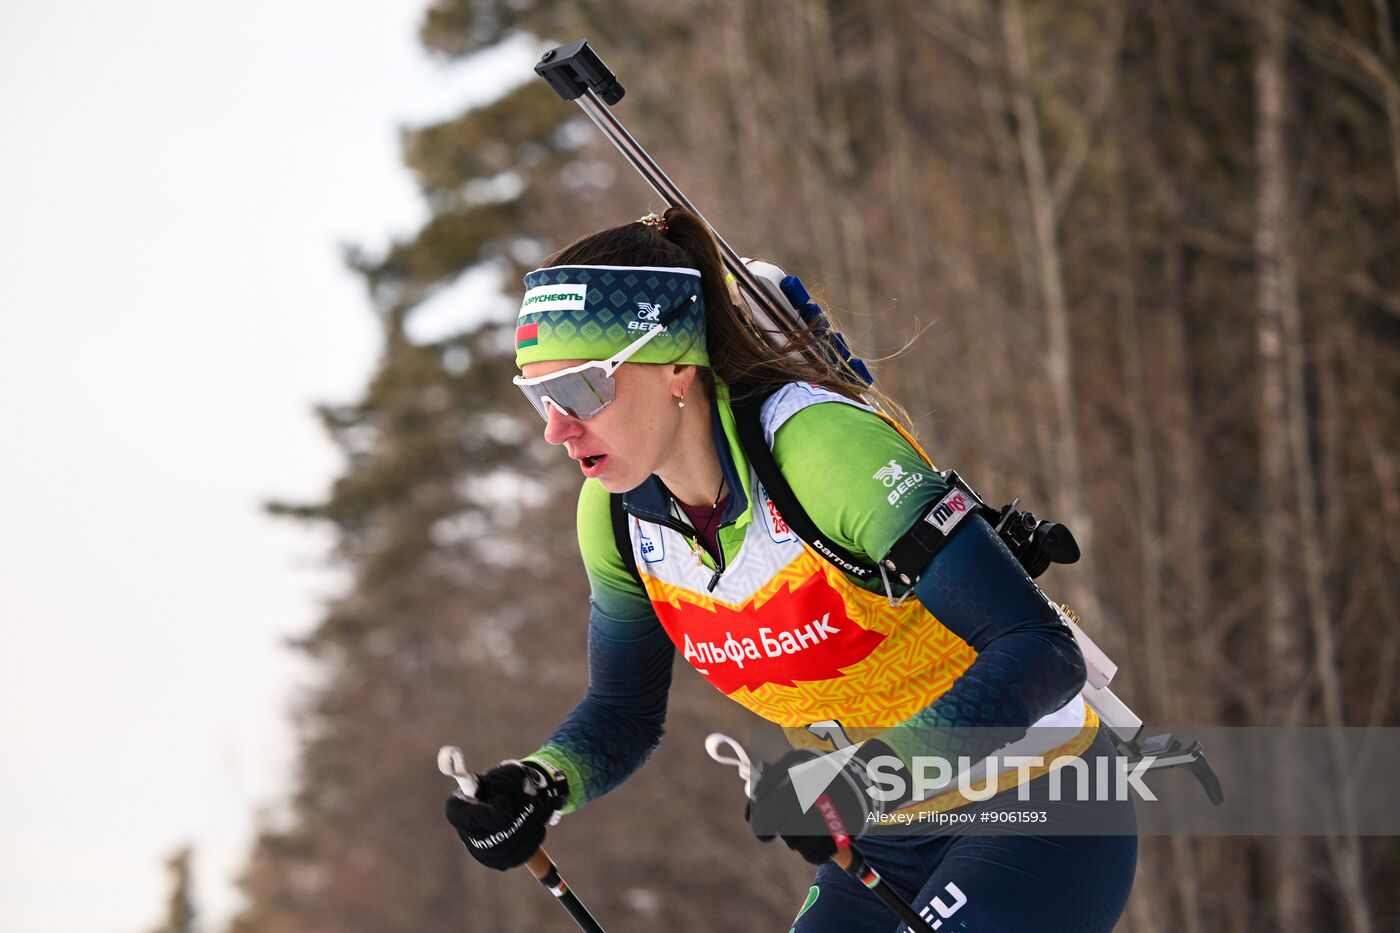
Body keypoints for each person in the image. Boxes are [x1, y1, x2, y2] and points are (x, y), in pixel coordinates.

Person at [445, 207, 1137, 931]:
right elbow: (625, 712)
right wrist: (540, 783)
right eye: (539, 396)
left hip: (1038, 799)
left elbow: (1041, 651)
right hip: (885, 837)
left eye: (582, 389)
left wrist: (862, 781)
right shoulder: (616, 518)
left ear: (677, 365)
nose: (556, 428)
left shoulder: (819, 451)